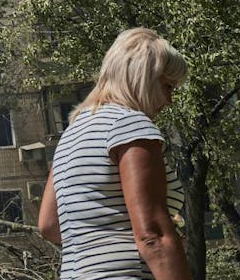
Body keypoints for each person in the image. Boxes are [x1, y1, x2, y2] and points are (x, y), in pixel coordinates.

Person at [37, 27, 192, 280]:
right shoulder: (130, 125)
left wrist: (103, 236)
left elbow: (49, 226)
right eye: (167, 87)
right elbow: (153, 236)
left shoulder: (72, 133)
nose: (169, 100)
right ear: (143, 78)